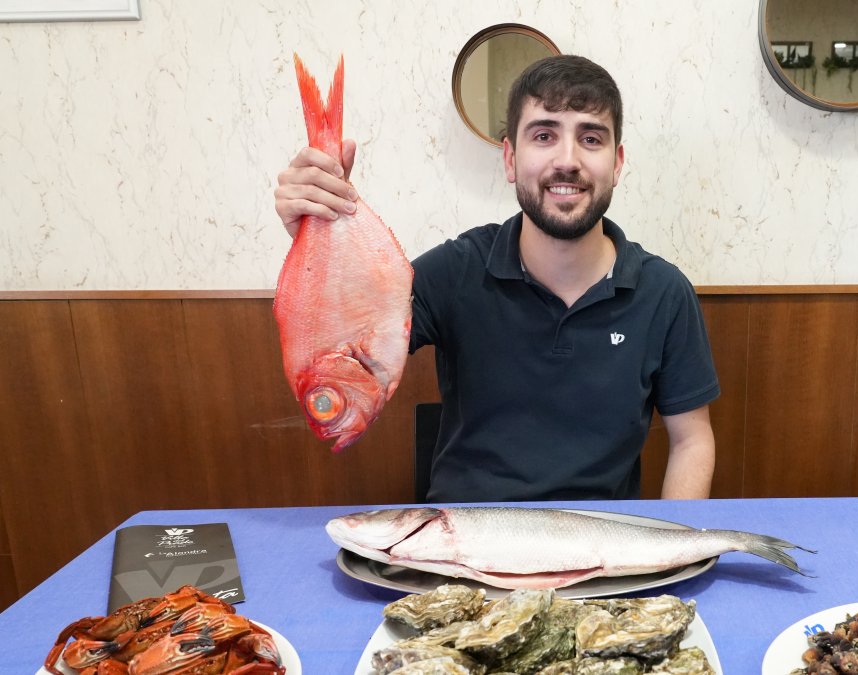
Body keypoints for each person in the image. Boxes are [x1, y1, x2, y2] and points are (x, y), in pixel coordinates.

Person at [274, 55, 719, 502]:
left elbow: (691, 440)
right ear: (510, 158)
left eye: (591, 138)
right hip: (458, 547)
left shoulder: (664, 292)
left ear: (617, 163)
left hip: (601, 546)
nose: (568, 160)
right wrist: (314, 235)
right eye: (544, 135)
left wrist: (674, 548)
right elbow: (344, 349)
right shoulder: (455, 270)